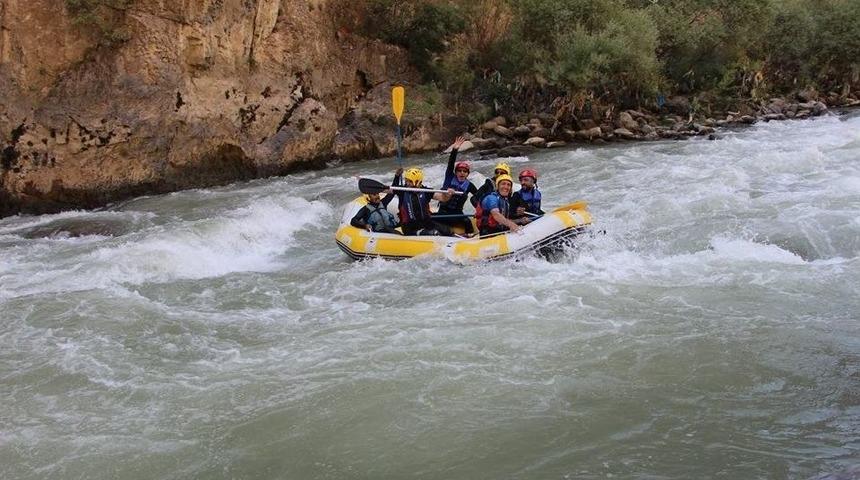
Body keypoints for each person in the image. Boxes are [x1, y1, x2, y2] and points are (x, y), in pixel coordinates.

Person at [435, 136, 478, 236]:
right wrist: (455, 149)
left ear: (468, 174)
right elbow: (450, 164)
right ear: (456, 172)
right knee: (430, 219)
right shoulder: (449, 177)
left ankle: (470, 237)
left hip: (457, 214)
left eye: (465, 171)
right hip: (443, 213)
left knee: (467, 222)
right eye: (459, 171)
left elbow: (478, 197)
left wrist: (479, 210)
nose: (462, 173)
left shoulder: (469, 185)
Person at [393, 167, 456, 236]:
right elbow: (389, 190)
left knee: (447, 230)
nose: (407, 183)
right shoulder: (402, 191)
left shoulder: (426, 191)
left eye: (410, 181)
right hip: (410, 227)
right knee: (433, 233)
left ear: (417, 182)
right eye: (406, 181)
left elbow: (443, 198)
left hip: (426, 223)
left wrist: (448, 194)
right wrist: (397, 176)